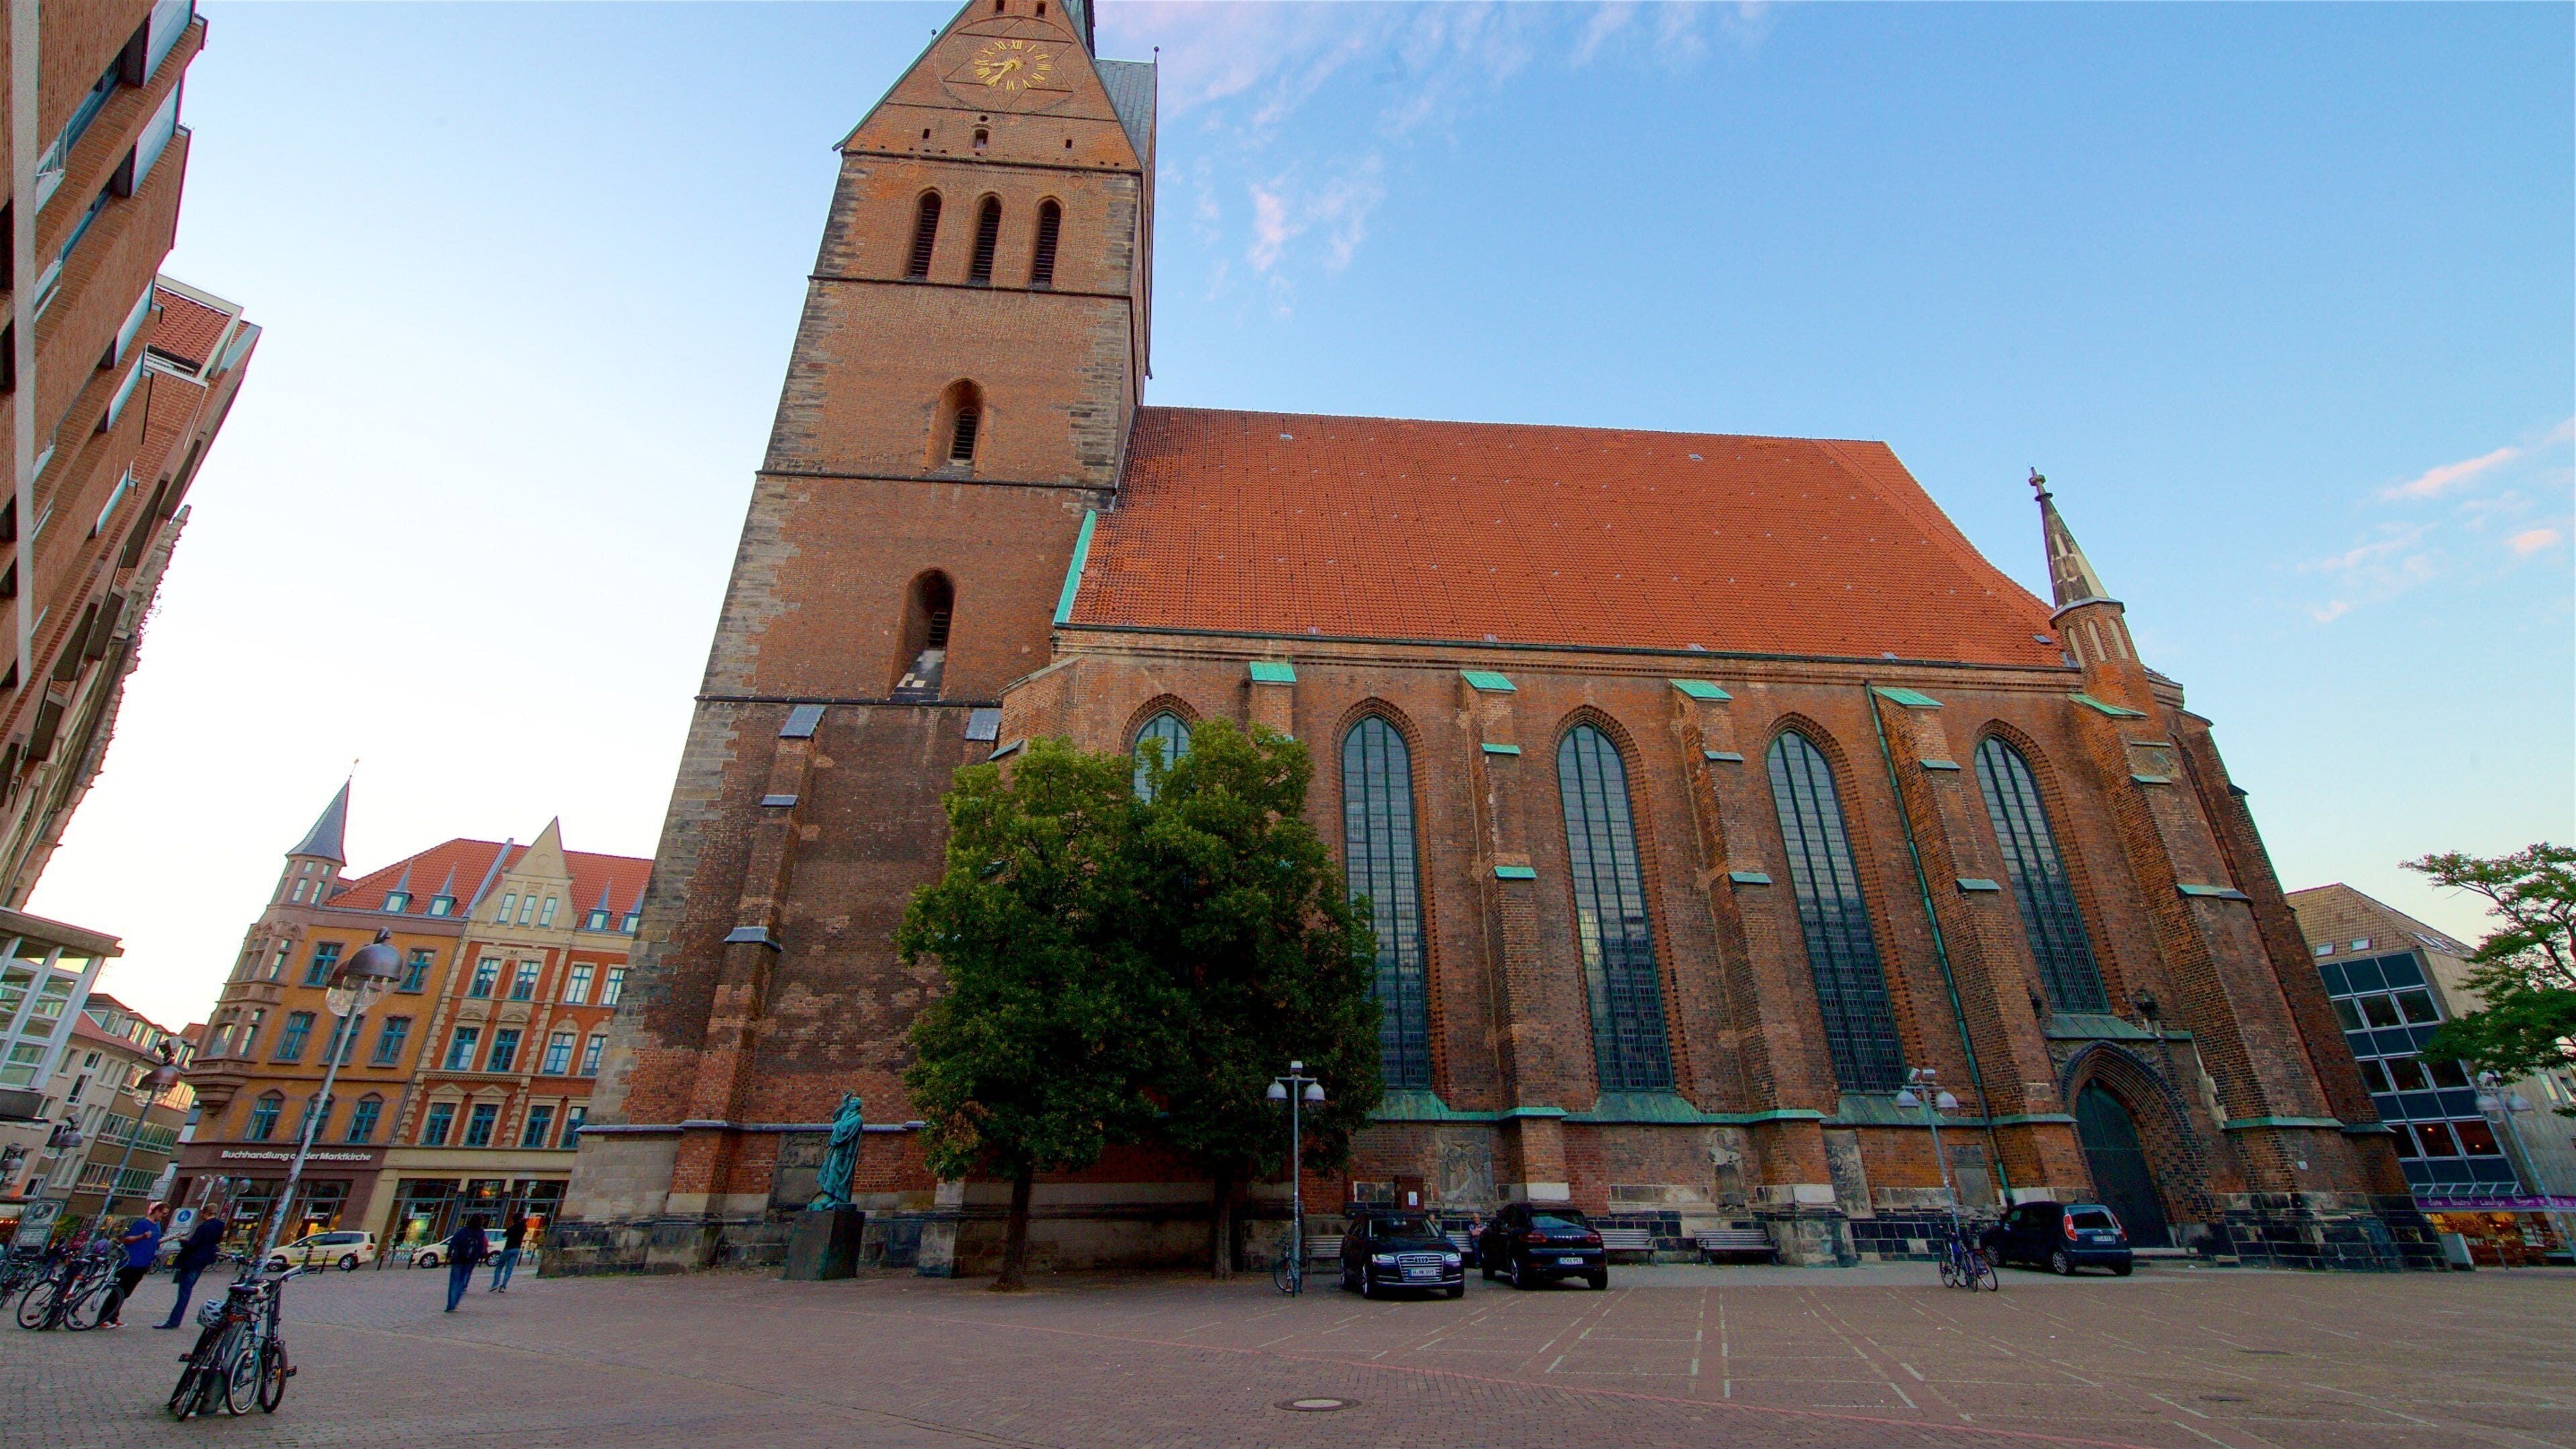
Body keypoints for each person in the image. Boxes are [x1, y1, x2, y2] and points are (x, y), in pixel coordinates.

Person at [154, 1208, 229, 1330]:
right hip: (203, 1260)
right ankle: (174, 1320)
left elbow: (193, 1245)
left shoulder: (203, 1227)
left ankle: (174, 1320)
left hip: (192, 1261)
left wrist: (182, 1240)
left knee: (184, 1292)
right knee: (187, 1289)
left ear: (206, 1213)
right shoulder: (220, 1225)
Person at [95, 1204, 167, 1328]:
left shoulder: (158, 1226)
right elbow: (127, 1239)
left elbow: (155, 1242)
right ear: (156, 1211)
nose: (164, 1216)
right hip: (131, 1262)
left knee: (126, 1292)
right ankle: (103, 1319)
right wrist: (142, 1236)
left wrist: (170, 1238)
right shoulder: (141, 1224)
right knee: (119, 1290)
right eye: (163, 1213)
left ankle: (113, 1317)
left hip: (143, 1264)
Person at [443, 1215, 489, 1312]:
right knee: (462, 1282)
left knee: (454, 1282)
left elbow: (453, 1242)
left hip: (458, 1259)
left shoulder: (462, 1231)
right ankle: (455, 1303)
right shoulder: (480, 1232)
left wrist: (449, 1254)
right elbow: (481, 1246)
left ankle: (450, 1304)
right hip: (470, 1260)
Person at [487, 1212, 529, 1293]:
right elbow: (524, 1226)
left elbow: (504, 1235)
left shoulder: (511, 1228)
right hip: (516, 1249)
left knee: (499, 1267)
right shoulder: (523, 1227)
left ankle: (495, 1284)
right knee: (509, 1269)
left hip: (508, 1248)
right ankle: (503, 1286)